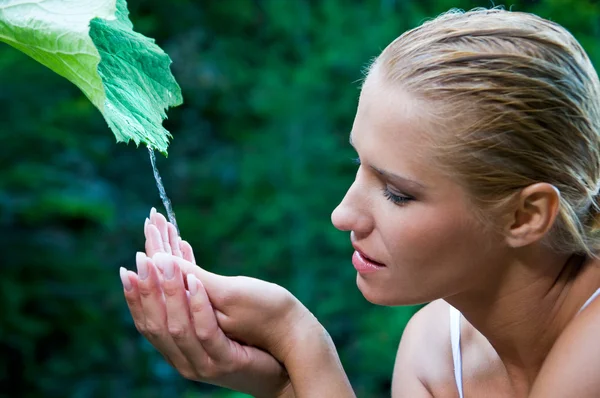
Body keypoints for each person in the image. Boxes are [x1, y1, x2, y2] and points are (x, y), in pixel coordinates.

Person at [120, 7, 600, 397]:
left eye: (397, 193)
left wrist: (298, 341)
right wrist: (282, 377)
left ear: (526, 216)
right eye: (359, 164)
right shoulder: (434, 353)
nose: (342, 214)